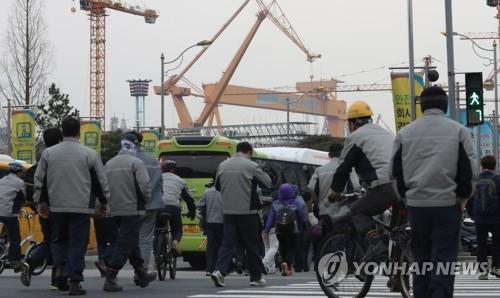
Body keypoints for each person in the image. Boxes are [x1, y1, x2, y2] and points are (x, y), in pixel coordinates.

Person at [390, 86, 478, 298]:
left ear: (422, 106)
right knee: (443, 260)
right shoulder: (458, 131)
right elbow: (471, 169)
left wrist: (406, 198)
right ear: (445, 105)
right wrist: (462, 198)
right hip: (448, 204)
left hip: (417, 206)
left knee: (420, 260)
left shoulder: (405, 133)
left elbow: (394, 172)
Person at [34, 117, 110, 296]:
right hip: (81, 206)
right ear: (79, 132)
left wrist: (41, 202)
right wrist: (104, 202)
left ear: (62, 130)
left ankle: (60, 267)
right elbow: (100, 181)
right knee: (77, 243)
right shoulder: (89, 153)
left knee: (58, 240)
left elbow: (40, 180)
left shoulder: (49, 153)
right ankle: (75, 281)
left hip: (56, 205)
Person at [328, 101, 397, 262]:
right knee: (396, 232)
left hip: (384, 188)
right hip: (404, 187)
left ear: (352, 124)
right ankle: (398, 275)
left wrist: (334, 192)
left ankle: (376, 245)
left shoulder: (355, 137)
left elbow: (343, 169)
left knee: (357, 211)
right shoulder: (387, 133)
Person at [211, 141, 272, 288]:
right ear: (249, 152)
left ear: (236, 150)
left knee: (227, 244)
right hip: (248, 212)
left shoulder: (222, 165)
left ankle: (219, 271)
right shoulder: (251, 166)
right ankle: (255, 277)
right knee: (252, 245)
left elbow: (218, 186)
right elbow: (267, 183)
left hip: (228, 211)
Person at [103, 132, 156, 292]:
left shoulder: (110, 163)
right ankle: (111, 274)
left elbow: (103, 186)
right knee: (126, 242)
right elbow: (144, 186)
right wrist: (146, 200)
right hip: (133, 207)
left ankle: (141, 272)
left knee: (131, 240)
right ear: (135, 145)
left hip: (114, 208)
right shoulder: (136, 162)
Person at [21, 127, 63, 287]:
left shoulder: (38, 164)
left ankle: (36, 266)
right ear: (60, 140)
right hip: (60, 206)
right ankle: (56, 277)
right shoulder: (58, 161)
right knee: (61, 241)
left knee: (50, 240)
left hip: (42, 209)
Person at [133, 132, 164, 274]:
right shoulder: (153, 161)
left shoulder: (127, 160)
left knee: (128, 238)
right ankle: (143, 269)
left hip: (131, 206)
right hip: (152, 205)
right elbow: (159, 185)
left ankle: (113, 266)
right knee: (145, 239)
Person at [467, 155, 500, 280]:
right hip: (496, 218)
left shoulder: (475, 181)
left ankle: (483, 271)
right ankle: (497, 268)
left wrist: (473, 215)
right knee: (497, 242)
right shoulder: (497, 180)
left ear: (482, 166)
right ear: (494, 165)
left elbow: (470, 199)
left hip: (480, 219)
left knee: (481, 244)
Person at [263, 183, 305, 276]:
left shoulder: (275, 203)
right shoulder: (296, 203)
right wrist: (302, 226)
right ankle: (287, 265)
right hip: (293, 230)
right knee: (291, 248)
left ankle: (283, 263)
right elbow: (301, 217)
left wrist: (266, 230)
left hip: (279, 230)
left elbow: (271, 218)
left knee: (282, 247)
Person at [159, 160, 196, 251]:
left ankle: (157, 255)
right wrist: (192, 211)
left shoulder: (157, 178)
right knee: (177, 230)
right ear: (174, 170)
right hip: (174, 207)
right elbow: (189, 199)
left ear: (162, 169)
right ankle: (175, 242)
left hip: (159, 207)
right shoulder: (180, 181)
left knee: (157, 230)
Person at [0, 162, 26, 273]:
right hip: (9, 213)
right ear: (19, 172)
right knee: (15, 238)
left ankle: (3, 244)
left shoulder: (1, 180)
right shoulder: (19, 182)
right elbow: (23, 197)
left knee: (5, 233)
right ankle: (15, 261)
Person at [198, 179, 223, 275]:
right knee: (222, 245)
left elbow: (201, 207)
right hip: (223, 222)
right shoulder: (225, 192)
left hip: (210, 222)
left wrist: (204, 219)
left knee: (211, 246)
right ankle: (219, 268)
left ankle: (209, 268)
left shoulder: (206, 192)